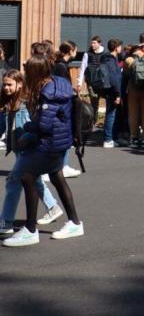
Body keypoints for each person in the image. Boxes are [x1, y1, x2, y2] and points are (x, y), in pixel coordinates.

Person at [2, 55, 83, 247]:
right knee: (56, 176)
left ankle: (30, 230)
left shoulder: (48, 92)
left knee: (27, 176)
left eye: (28, 71)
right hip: (61, 141)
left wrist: (28, 130)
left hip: (50, 142)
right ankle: (74, 222)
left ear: (35, 72)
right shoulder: (60, 82)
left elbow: (44, 125)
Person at [0, 70, 63, 238]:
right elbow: (4, 125)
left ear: (20, 84)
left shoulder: (26, 103)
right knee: (34, 180)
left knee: (13, 182)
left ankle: (6, 221)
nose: (5, 87)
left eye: (9, 84)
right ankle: (53, 207)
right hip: (19, 148)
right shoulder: (8, 101)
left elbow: (36, 125)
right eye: (4, 84)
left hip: (29, 149)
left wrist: (29, 137)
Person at [48, 41, 82, 178]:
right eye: (75, 50)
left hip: (61, 103)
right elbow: (61, 86)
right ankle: (63, 165)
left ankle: (62, 165)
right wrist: (72, 93)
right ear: (71, 50)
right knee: (65, 132)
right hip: (63, 105)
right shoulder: (61, 66)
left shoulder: (59, 64)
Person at [125, 45, 144, 148]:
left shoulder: (129, 60)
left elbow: (126, 74)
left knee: (133, 114)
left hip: (133, 90)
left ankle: (134, 136)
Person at [76, 35, 108, 121]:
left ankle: (105, 121)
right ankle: (94, 120)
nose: (92, 45)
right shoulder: (88, 54)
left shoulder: (105, 54)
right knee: (94, 100)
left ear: (99, 43)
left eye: (94, 43)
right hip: (91, 81)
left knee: (106, 100)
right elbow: (83, 68)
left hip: (102, 81)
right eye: (92, 43)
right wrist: (79, 83)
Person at [99, 39, 123, 148]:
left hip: (108, 89)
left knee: (110, 114)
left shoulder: (107, 58)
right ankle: (108, 139)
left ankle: (109, 138)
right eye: (120, 46)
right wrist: (118, 93)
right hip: (112, 90)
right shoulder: (111, 60)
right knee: (111, 114)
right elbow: (115, 78)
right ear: (116, 47)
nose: (121, 48)